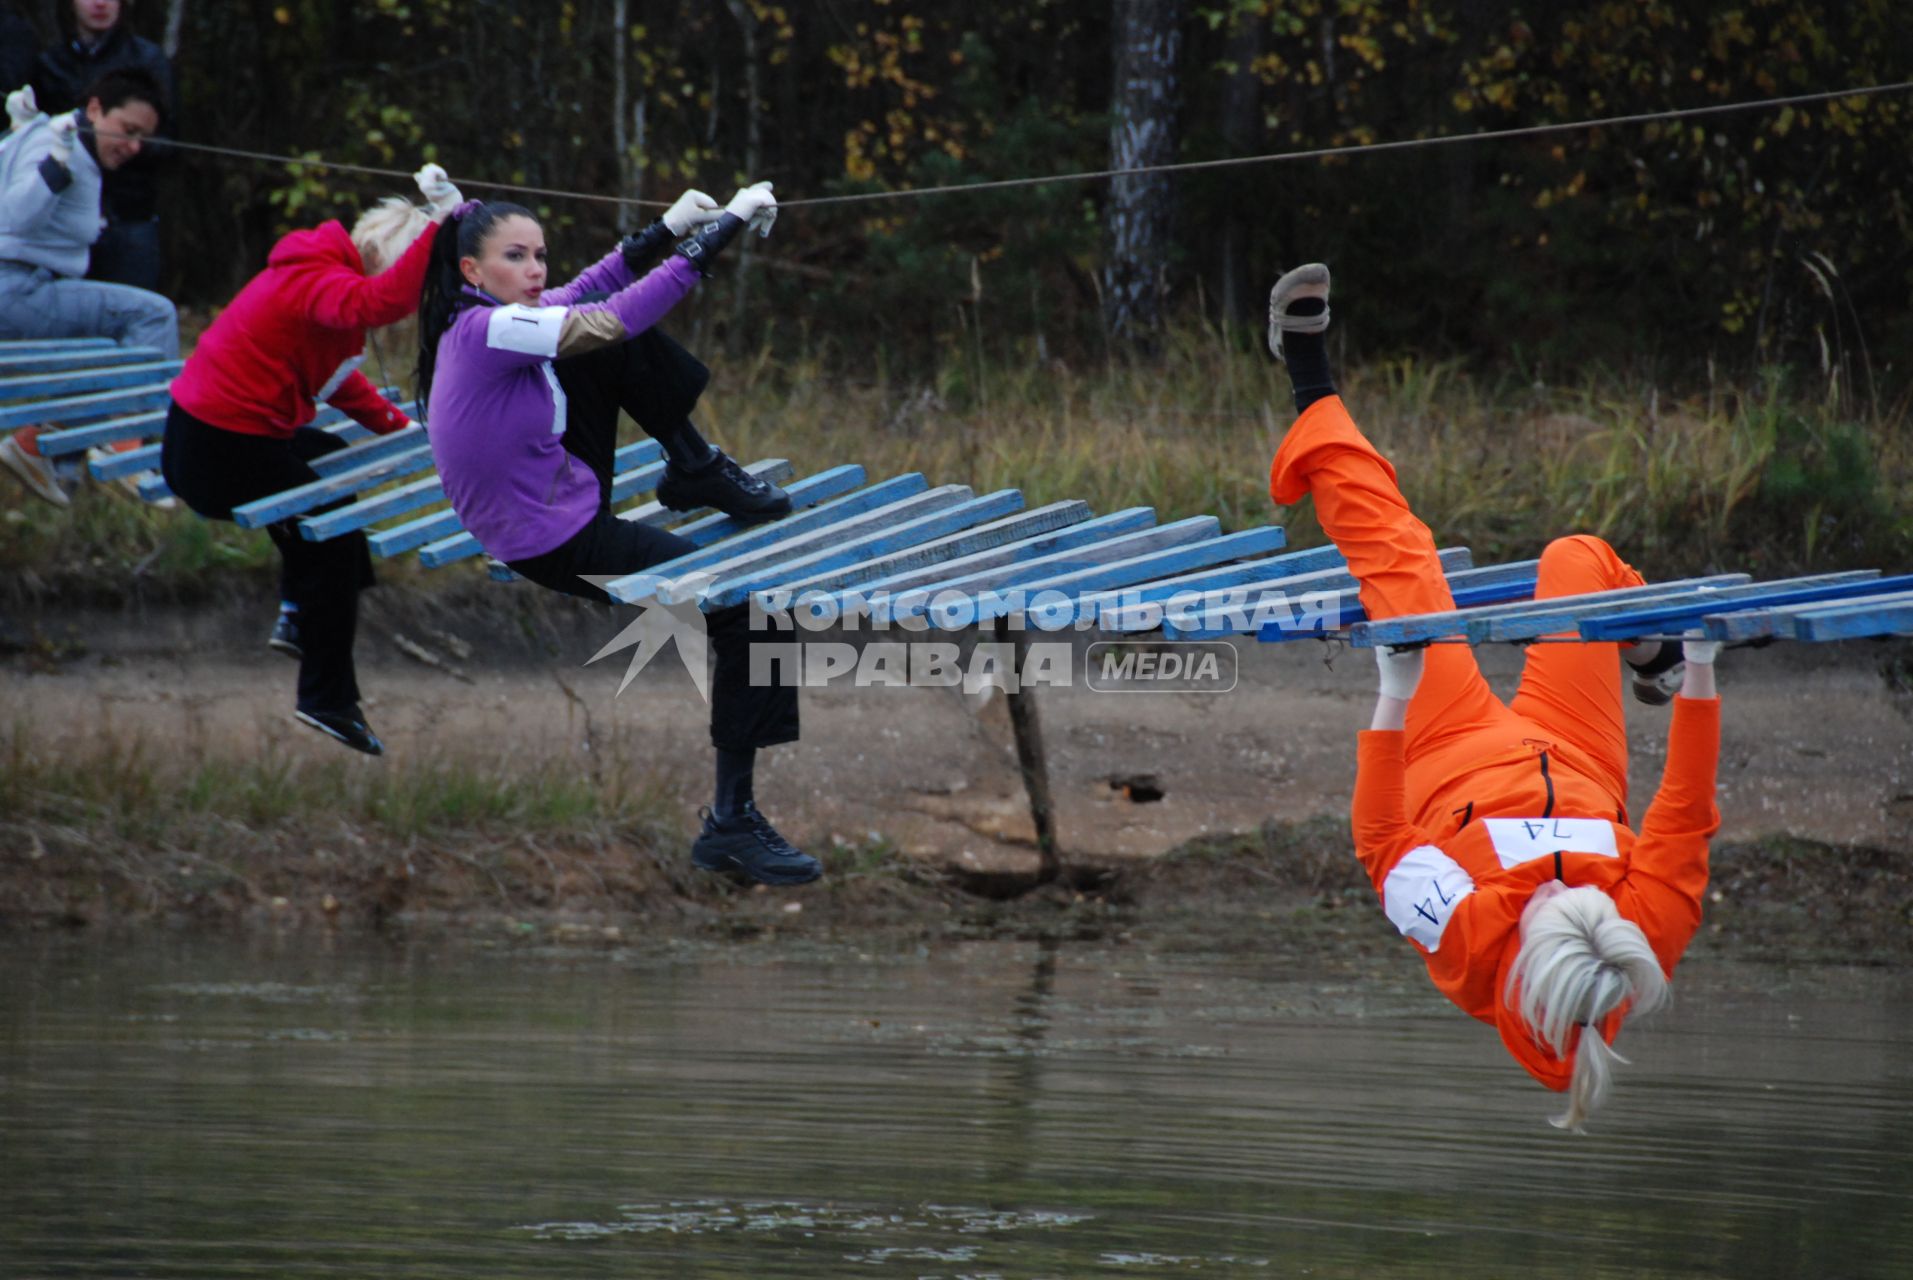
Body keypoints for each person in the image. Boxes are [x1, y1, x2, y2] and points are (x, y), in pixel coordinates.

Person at [1264, 262, 1721, 1131]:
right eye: (1579, 900)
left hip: (1448, 751)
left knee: (1401, 558)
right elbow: (1686, 812)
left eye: (1548, 911)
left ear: (1519, 965)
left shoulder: (1467, 946)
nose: (1552, 891)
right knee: (1577, 560)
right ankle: (1651, 654)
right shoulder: (1646, 934)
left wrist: (1392, 698)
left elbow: (1380, 841)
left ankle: (1306, 378)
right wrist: (1698, 669)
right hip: (1577, 754)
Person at [416, 185, 819, 887]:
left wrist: (664, 230)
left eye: (539, 254)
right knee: (750, 608)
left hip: (557, 494)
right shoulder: (489, 330)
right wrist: (718, 232)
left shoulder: (489, 315)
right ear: (472, 271)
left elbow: (587, 295)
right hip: (556, 540)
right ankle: (731, 823)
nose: (536, 269)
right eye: (516, 257)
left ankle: (692, 466)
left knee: (600, 339)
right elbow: (609, 318)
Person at [159, 164, 459, 756]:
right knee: (334, 539)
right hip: (212, 451)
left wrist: (402, 428)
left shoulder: (323, 284)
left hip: (232, 438)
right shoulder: (319, 280)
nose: (413, 303)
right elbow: (380, 303)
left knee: (330, 464)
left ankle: (302, 612)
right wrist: (444, 220)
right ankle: (327, 698)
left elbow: (337, 379)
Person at [0, 66, 176, 507]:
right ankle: (127, 444)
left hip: (27, 289)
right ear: (95, 109)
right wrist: (53, 168)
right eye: (128, 130)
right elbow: (14, 217)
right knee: (153, 314)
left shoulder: (59, 138)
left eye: (142, 139)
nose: (133, 147)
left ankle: (34, 445)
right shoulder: (57, 144)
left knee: (106, 348)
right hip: (14, 290)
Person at [32, 0, 176, 290]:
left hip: (128, 218)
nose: (100, 4)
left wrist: (118, 144)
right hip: (62, 220)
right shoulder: (50, 63)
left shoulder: (148, 60)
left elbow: (169, 144)